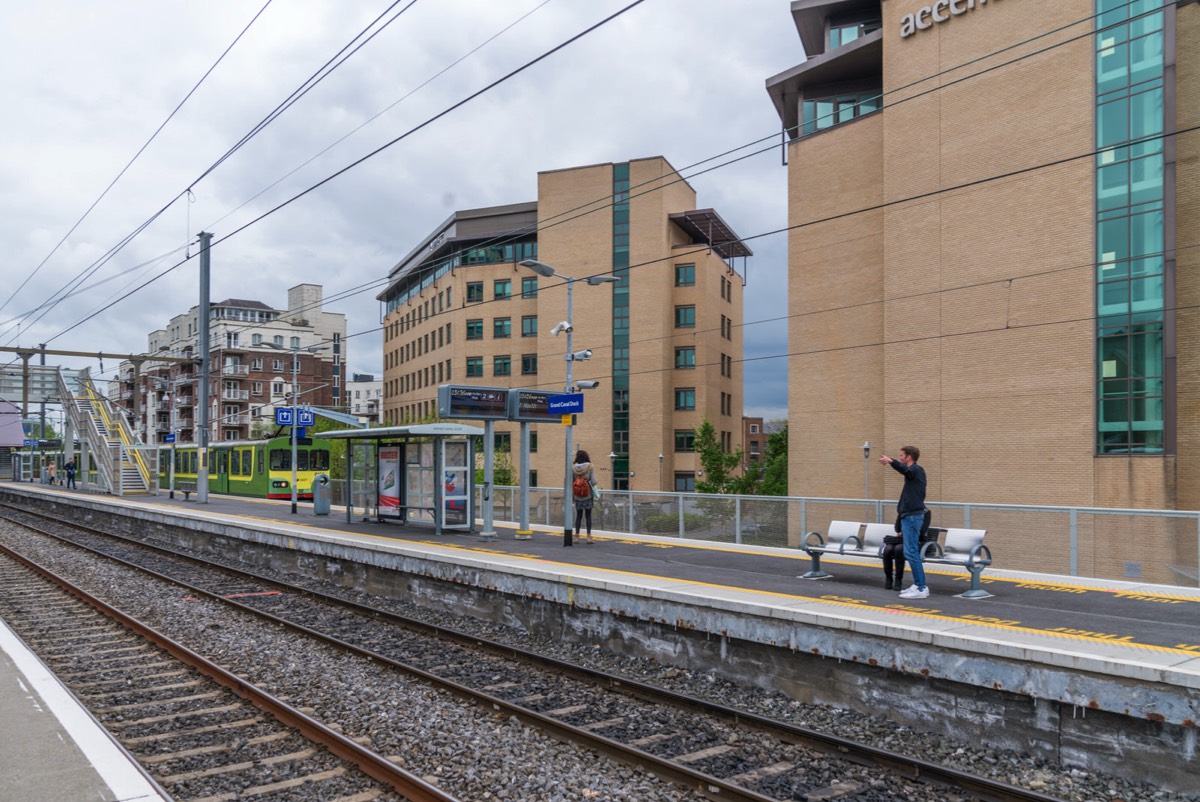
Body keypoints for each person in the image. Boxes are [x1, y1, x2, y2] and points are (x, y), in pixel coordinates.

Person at [879, 445, 929, 599]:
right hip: (908, 517)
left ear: (909, 457)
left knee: (911, 552)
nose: (900, 457)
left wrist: (891, 461)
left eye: (901, 455)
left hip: (913, 517)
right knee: (909, 552)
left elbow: (905, 470)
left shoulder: (916, 470)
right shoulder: (912, 475)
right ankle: (918, 585)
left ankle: (921, 587)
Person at [882, 509, 931, 590]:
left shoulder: (925, 512)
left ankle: (898, 579)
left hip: (915, 541)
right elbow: (897, 528)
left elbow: (922, 531)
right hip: (901, 539)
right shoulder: (904, 511)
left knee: (899, 549)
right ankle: (888, 577)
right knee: (887, 549)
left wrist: (906, 532)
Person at [571, 449, 596, 545]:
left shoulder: (573, 468)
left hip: (577, 496)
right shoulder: (590, 467)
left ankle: (576, 537)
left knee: (579, 516)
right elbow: (594, 481)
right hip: (588, 495)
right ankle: (589, 537)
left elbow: (571, 481)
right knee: (588, 516)